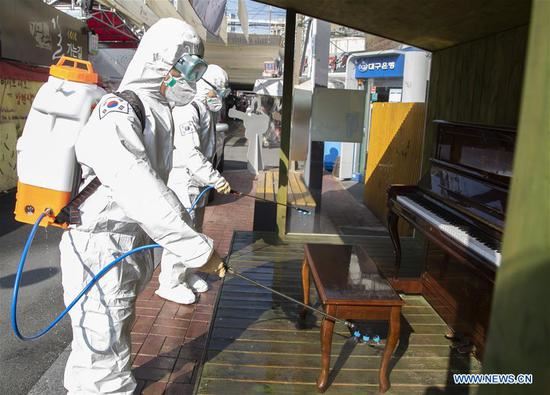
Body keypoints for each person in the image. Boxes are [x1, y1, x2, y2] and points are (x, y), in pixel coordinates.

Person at [59, 18, 224, 394]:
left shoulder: (156, 108)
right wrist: (198, 249)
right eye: (189, 68)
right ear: (161, 62)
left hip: (122, 242)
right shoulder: (119, 110)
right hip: (101, 246)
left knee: (105, 338)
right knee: (104, 348)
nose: (193, 80)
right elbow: (139, 186)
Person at [156, 64, 231, 305]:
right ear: (204, 87)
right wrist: (215, 178)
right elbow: (190, 153)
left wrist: (209, 179)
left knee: (195, 228)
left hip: (196, 182)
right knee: (182, 231)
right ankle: (170, 282)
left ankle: (187, 273)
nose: (218, 97)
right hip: (183, 178)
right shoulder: (187, 109)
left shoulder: (204, 110)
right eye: (217, 91)